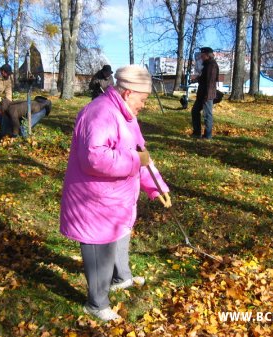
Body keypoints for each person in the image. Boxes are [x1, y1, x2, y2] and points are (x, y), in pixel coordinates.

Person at [60, 65, 172, 322]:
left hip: (117, 199)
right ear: (128, 93)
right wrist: (134, 159)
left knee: (121, 234)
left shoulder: (127, 116)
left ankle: (121, 278)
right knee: (100, 250)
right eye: (143, 99)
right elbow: (94, 158)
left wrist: (157, 187)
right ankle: (96, 304)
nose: (144, 104)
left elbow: (142, 155)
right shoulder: (100, 112)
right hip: (94, 201)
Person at [190, 47, 219, 139]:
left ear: (207, 55)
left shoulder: (212, 65)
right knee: (195, 111)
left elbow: (210, 82)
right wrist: (195, 80)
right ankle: (197, 133)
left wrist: (207, 95)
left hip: (207, 95)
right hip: (201, 94)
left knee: (207, 115)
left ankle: (208, 136)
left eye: (202, 56)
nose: (201, 57)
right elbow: (203, 78)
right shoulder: (206, 65)